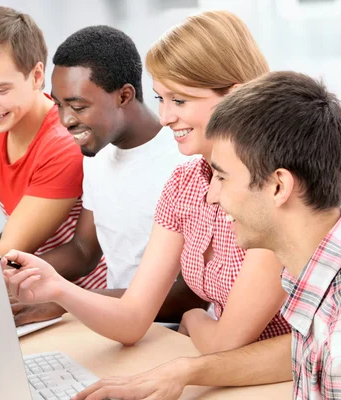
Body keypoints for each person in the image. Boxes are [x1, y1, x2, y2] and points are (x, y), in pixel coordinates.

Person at [73, 71, 341, 400]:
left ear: (278, 187)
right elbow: (300, 350)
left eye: (222, 177)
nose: (211, 195)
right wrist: (184, 372)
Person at [3, 10, 291, 354]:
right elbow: (133, 318)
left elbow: (225, 343)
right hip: (213, 362)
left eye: (180, 100)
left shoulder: (274, 190)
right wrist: (56, 289)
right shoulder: (184, 183)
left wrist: (193, 320)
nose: (166, 117)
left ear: (235, 96)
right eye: (161, 98)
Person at [12, 25, 207, 326]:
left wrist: (68, 301)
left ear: (124, 96)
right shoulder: (96, 151)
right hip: (112, 322)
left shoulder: (185, 161)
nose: (65, 120)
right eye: (59, 104)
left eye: (78, 106)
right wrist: (12, 276)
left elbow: (192, 293)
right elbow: (84, 249)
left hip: (165, 328)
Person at [0, 6, 106, 290]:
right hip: (19, 284)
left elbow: (9, 249)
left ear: (37, 75)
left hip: (77, 296)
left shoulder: (63, 144)